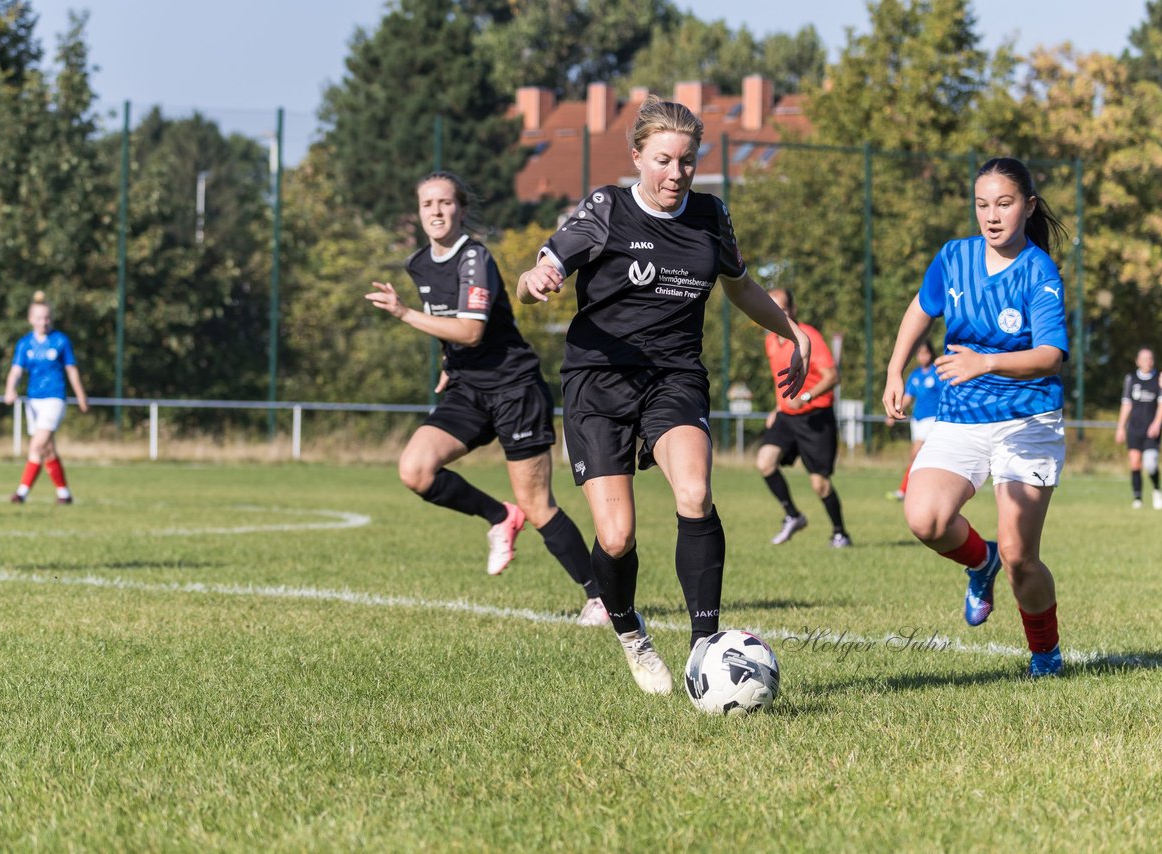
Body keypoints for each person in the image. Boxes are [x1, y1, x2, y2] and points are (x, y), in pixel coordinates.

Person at [517, 95, 810, 695]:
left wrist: (793, 332)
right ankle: (630, 631)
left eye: (686, 161)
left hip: (674, 377)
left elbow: (740, 286)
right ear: (637, 158)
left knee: (696, 493)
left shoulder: (711, 215)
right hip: (597, 381)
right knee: (618, 537)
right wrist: (531, 280)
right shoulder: (606, 208)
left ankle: (705, 646)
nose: (675, 174)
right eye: (663, 160)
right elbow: (542, 270)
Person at [365, 171, 609, 627]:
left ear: (460, 209)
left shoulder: (473, 257)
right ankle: (500, 516)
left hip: (514, 388)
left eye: (445, 203)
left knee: (539, 505)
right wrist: (445, 363)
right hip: (467, 389)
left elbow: (473, 330)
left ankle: (601, 598)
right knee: (415, 470)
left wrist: (404, 314)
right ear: (418, 213)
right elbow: (450, 328)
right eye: (427, 205)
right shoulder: (418, 264)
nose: (436, 211)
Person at [882, 156, 1069, 678]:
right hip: (961, 416)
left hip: (1027, 421)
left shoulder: (1038, 271)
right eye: (983, 204)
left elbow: (1051, 354)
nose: (992, 215)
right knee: (926, 518)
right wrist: (895, 369)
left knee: (1021, 557)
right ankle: (978, 561)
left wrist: (985, 362)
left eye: (1005, 204)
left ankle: (1045, 654)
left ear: (1028, 207)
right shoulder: (954, 256)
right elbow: (921, 308)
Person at [757, 288, 853, 548]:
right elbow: (782, 380)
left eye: (783, 308)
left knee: (820, 484)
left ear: (793, 309)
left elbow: (832, 376)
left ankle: (840, 533)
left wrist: (807, 397)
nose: (777, 314)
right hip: (787, 417)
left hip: (815, 417)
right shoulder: (770, 340)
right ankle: (793, 515)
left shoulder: (808, 336)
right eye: (772, 308)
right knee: (765, 462)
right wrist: (778, 407)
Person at [3, 291, 89, 503]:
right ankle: (64, 494)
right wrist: (10, 389)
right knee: (48, 450)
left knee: (36, 445)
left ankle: (21, 493)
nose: (44, 322)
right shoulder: (25, 344)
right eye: (40, 318)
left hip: (54, 398)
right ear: (31, 319)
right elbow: (16, 371)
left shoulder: (60, 341)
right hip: (34, 400)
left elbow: (71, 370)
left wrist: (81, 396)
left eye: (47, 317)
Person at [885, 338, 946, 500]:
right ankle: (924, 490)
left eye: (925, 353)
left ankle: (905, 490)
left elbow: (946, 394)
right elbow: (908, 396)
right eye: (919, 354)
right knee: (924, 456)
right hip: (917, 419)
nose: (922, 357)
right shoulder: (915, 374)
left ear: (931, 353)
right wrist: (895, 411)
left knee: (915, 453)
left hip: (932, 418)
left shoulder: (937, 372)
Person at [1115, 347, 1162, 509]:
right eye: (1143, 359)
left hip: (1151, 429)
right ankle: (1137, 498)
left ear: (1153, 361)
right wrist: (1120, 427)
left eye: (1150, 358)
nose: (1147, 362)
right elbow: (1126, 404)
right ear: (1137, 361)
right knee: (1135, 464)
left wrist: (1157, 423)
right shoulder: (1131, 379)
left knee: (1151, 464)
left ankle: (1157, 489)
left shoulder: (1160, 379)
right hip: (1134, 428)